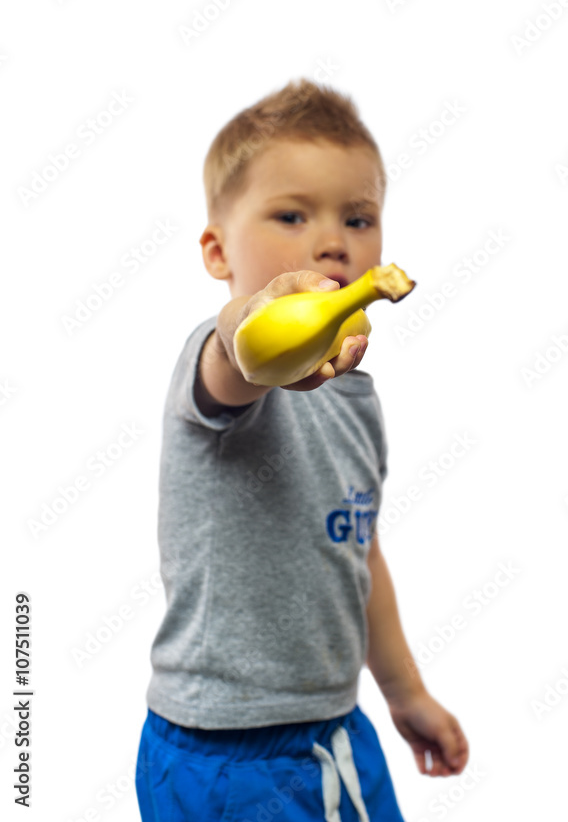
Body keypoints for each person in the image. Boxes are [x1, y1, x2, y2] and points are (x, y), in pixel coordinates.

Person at [134, 78, 469, 821]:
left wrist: (404, 692)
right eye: (290, 214)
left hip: (336, 731)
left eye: (358, 217)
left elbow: (357, 550)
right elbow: (238, 357)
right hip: (223, 755)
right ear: (217, 252)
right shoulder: (221, 368)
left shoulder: (358, 402)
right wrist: (245, 323)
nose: (331, 241)